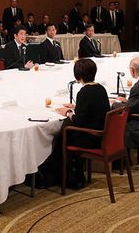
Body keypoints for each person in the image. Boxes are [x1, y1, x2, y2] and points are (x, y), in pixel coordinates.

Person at [50, 58, 110, 188]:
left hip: (91, 138)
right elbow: (93, 108)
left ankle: (67, 177)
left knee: (61, 137)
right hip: (102, 134)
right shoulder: (101, 89)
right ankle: (77, 174)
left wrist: (68, 112)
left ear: (78, 76)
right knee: (68, 134)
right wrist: (77, 106)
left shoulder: (84, 92)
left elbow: (79, 122)